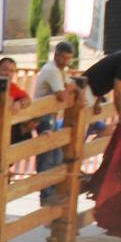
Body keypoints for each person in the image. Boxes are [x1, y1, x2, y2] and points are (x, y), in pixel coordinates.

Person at [34, 41, 77, 204]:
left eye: (68, 59)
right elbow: (62, 96)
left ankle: (51, 190)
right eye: (64, 58)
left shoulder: (58, 70)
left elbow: (68, 86)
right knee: (47, 156)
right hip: (44, 116)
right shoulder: (52, 70)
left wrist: (72, 88)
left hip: (48, 115)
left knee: (55, 154)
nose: (66, 62)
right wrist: (72, 89)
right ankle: (46, 193)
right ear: (57, 55)